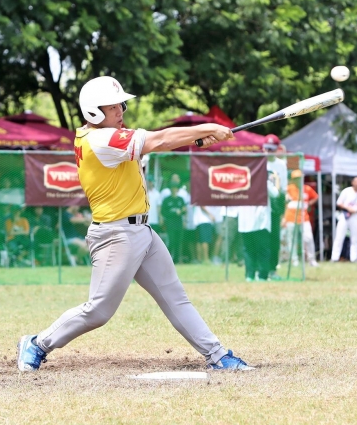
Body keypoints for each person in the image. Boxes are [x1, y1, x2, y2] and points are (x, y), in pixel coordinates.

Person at [17, 76, 253, 372]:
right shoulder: (100, 140)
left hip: (141, 231)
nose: (121, 110)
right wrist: (208, 127)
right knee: (99, 310)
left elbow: (152, 145)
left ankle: (217, 355)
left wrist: (195, 139)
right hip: (116, 235)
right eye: (113, 106)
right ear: (93, 112)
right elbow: (160, 139)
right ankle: (37, 343)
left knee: (175, 297)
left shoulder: (107, 135)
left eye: (121, 104)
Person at [237, 176, 280, 281]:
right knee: (263, 250)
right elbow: (276, 193)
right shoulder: (264, 181)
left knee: (248, 250)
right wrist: (276, 182)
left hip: (246, 222)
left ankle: (249, 275)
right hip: (260, 222)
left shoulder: (240, 180)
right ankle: (262, 276)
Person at [283, 170, 319, 268]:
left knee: (308, 238)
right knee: (291, 240)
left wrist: (309, 204)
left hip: (304, 218)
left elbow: (316, 197)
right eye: (296, 178)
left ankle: (312, 260)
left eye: (300, 178)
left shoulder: (307, 188)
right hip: (290, 218)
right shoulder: (289, 189)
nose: (298, 180)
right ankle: (294, 260)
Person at [330, 177, 357, 262]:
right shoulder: (346, 191)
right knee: (339, 236)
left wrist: (356, 210)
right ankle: (334, 257)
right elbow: (339, 203)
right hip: (344, 215)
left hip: (355, 216)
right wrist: (348, 208)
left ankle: (354, 258)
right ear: (352, 182)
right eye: (356, 181)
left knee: (354, 238)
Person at [264, 134, 287, 275]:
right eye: (266, 149)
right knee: (261, 239)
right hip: (259, 206)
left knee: (274, 239)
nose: (268, 152)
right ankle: (260, 269)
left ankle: (272, 269)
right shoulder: (257, 161)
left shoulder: (281, 165)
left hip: (274, 205)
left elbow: (283, 188)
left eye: (271, 149)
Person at [160, 182, 187, 260]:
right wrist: (174, 213)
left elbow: (184, 210)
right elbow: (163, 212)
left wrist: (182, 212)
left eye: (175, 188)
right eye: (172, 188)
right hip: (170, 223)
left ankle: (177, 259)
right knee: (171, 241)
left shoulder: (180, 199)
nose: (174, 190)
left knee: (178, 241)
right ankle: (168, 258)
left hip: (179, 223)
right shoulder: (167, 200)